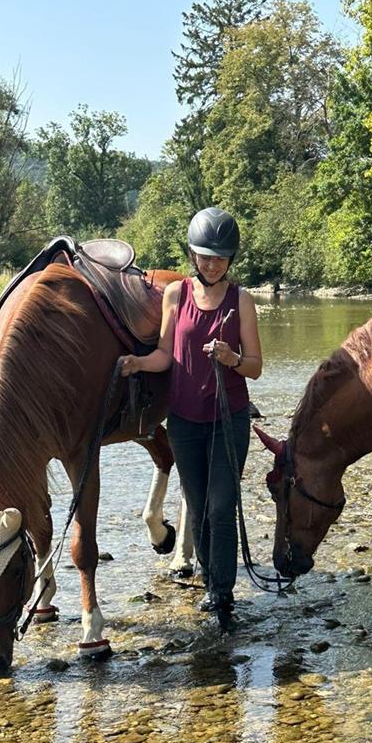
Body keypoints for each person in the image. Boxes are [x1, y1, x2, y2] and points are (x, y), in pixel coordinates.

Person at [120, 206, 262, 629]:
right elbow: (166, 354)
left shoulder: (241, 301)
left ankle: (223, 594)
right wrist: (137, 363)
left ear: (230, 260)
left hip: (229, 418)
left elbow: (255, 366)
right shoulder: (175, 295)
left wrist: (231, 358)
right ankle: (210, 583)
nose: (212, 264)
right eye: (205, 256)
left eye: (220, 258)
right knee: (198, 508)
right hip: (183, 422)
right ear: (192, 255)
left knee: (221, 506)